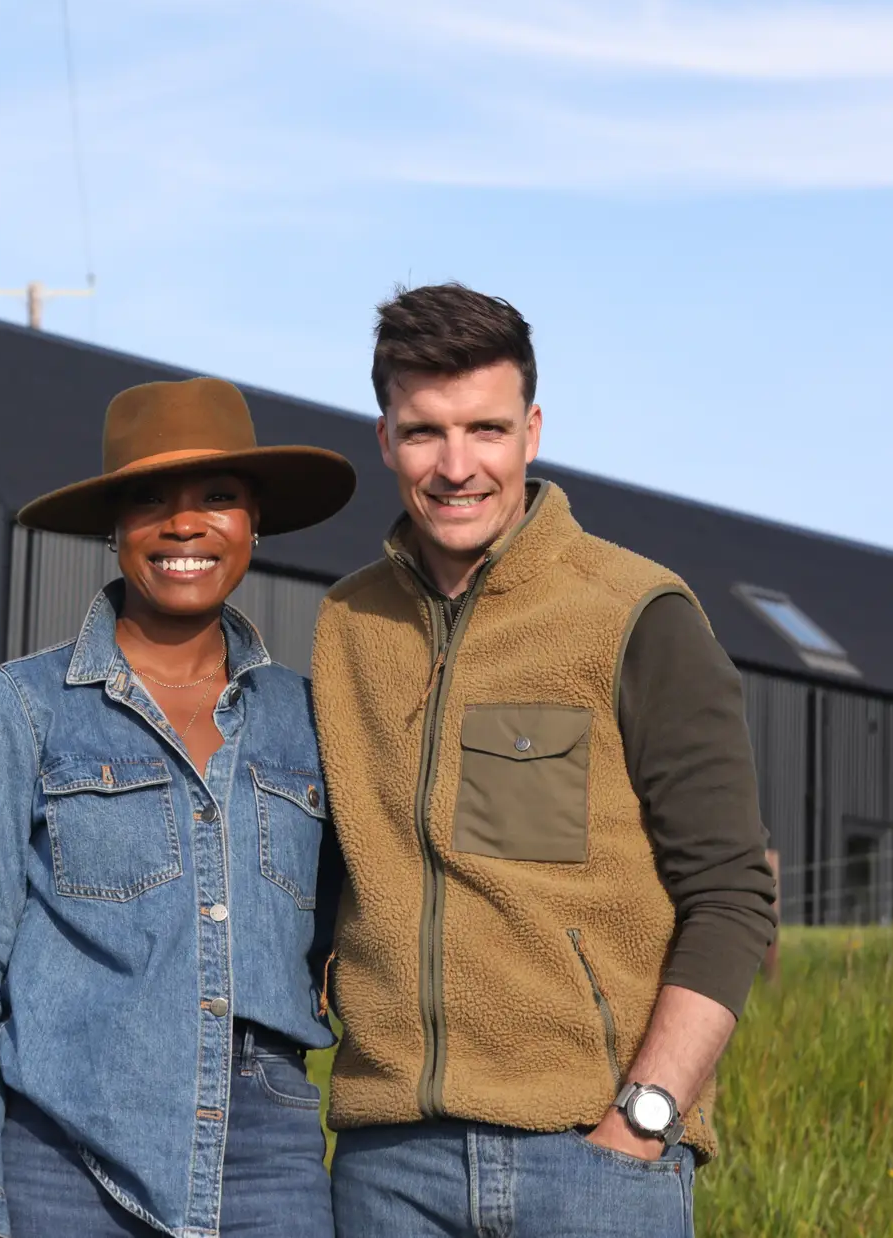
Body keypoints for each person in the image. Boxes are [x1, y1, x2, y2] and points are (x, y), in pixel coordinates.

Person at [312, 284, 779, 1237]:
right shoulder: (344, 627)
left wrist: (644, 1121)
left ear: (532, 430)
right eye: (423, 432)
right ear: (383, 438)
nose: (455, 466)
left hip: (591, 1162)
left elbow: (732, 895)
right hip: (385, 1168)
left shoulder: (636, 615)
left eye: (485, 429)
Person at [0, 377, 357, 1238]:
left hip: (269, 1160)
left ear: (253, 519)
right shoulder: (17, 711)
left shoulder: (313, 722)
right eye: (151, 499)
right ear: (114, 528)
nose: (185, 524)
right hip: (63, 1158)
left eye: (217, 498)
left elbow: (364, 942)